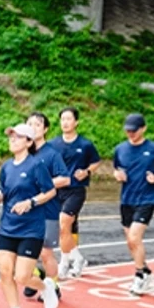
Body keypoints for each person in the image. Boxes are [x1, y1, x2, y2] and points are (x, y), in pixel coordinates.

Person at [0, 124, 59, 308]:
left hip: (31, 229)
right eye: (11, 137)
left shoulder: (37, 165)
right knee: (5, 271)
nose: (12, 140)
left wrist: (31, 202)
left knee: (22, 277)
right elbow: (4, 189)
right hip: (7, 226)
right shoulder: (7, 166)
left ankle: (46, 286)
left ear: (29, 142)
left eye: (18, 137)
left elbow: (50, 191)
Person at [113, 113, 154, 296]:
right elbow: (116, 168)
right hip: (126, 199)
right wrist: (117, 175)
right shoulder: (120, 149)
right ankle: (145, 270)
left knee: (134, 237)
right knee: (130, 241)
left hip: (147, 198)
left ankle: (139, 276)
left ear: (143, 128)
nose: (130, 133)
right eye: (128, 130)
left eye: (134, 130)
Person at [49, 107, 101, 279]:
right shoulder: (53, 144)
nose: (65, 122)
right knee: (63, 230)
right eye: (62, 119)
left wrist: (86, 171)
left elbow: (96, 162)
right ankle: (76, 259)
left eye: (69, 119)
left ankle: (64, 263)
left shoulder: (85, 145)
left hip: (76, 190)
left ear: (76, 122)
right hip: (57, 191)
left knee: (64, 224)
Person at [23, 112, 70, 301]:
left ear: (45, 129)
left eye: (37, 124)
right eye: (29, 123)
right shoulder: (24, 153)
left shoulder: (51, 154)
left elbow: (65, 178)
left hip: (47, 211)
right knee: (22, 250)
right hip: (27, 211)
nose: (33, 127)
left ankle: (53, 286)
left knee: (45, 253)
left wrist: (45, 182)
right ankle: (36, 276)